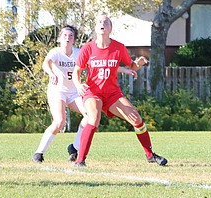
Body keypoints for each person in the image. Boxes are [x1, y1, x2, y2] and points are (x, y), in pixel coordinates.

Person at [71, 13, 167, 167]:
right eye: (100, 22)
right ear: (96, 28)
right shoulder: (87, 48)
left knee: (136, 119)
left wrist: (139, 63)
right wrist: (78, 85)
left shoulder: (119, 47)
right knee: (94, 118)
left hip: (112, 93)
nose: (103, 24)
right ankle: (80, 160)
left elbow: (132, 65)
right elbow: (76, 72)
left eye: (106, 22)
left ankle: (150, 155)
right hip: (93, 92)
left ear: (110, 28)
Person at [32, 25, 89, 163]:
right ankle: (39, 153)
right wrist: (50, 72)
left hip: (74, 92)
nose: (67, 38)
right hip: (58, 90)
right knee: (59, 122)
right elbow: (46, 63)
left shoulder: (78, 53)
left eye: (71, 36)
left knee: (90, 116)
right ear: (59, 39)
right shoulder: (56, 52)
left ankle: (74, 148)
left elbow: (93, 65)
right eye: (64, 35)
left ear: (74, 40)